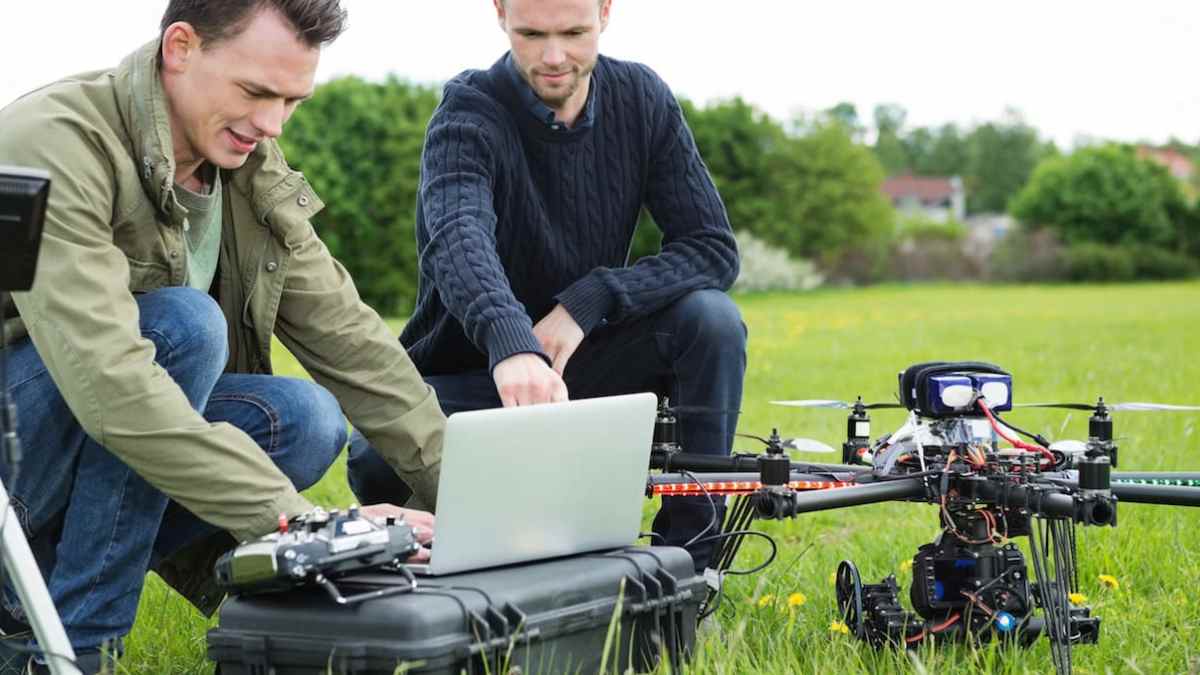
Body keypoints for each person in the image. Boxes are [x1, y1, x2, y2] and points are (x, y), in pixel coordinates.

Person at [0, 1, 444, 671]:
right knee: (183, 327)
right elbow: (115, 388)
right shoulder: (58, 141)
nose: (271, 123)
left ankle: (27, 597)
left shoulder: (244, 160)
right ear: (179, 47)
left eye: (291, 100)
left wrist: (469, 497)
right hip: (19, 451)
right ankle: (73, 650)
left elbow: (350, 336)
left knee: (304, 419)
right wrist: (309, 525)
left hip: (90, 431)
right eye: (256, 92)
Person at [346, 0, 745, 573]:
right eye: (531, 33)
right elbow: (458, 236)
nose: (554, 57)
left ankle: (689, 570)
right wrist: (510, 343)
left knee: (711, 319)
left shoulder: (642, 98)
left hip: (589, 369)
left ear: (606, 12)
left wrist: (591, 300)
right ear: (500, 12)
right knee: (372, 458)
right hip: (472, 377)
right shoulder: (468, 111)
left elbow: (711, 247)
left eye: (574, 32)